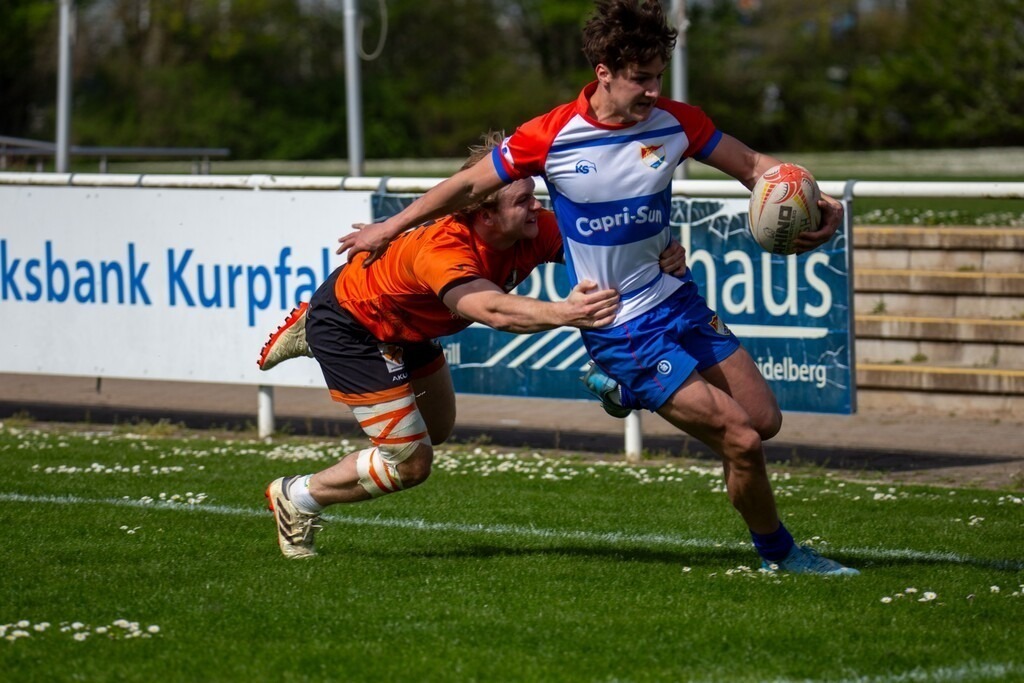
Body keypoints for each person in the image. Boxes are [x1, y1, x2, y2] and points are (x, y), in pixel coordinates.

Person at [336, 0, 858, 575]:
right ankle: (781, 556)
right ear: (603, 71)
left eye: (659, 75)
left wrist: (815, 195)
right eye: (641, 78)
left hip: (675, 295)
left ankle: (621, 391)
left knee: (763, 420)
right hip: (618, 325)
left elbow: (754, 164)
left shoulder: (678, 122)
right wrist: (388, 226)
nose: (653, 89)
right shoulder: (551, 135)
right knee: (742, 440)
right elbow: (464, 187)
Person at [262, 132, 688, 559]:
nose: (537, 206)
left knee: (437, 430)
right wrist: (565, 312)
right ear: (485, 215)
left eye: (534, 195)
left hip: (409, 330)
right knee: (410, 463)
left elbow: (610, 249)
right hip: (353, 325)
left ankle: (314, 353)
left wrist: (662, 254)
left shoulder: (532, 227)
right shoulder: (442, 250)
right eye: (522, 200)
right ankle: (298, 496)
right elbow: (492, 310)